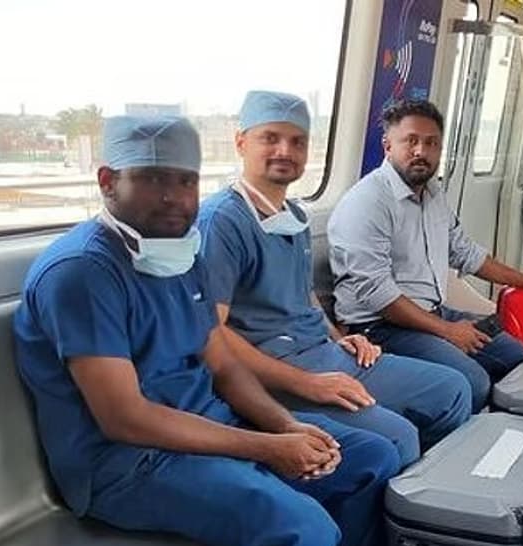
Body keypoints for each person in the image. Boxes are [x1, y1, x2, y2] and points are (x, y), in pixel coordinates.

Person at [12, 116, 403, 546]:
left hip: (201, 430)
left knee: (372, 458)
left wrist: (284, 426)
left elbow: (220, 362)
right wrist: (265, 449)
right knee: (303, 532)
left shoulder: (178, 249)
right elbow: (124, 418)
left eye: (187, 181)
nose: (176, 198)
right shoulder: (82, 273)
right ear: (108, 180)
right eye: (154, 180)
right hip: (125, 465)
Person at [197, 90, 471, 469]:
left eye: (297, 142)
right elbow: (212, 334)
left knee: (453, 390)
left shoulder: (291, 213)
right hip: (274, 372)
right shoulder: (221, 221)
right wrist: (309, 384)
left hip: (323, 352)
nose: (285, 151)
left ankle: (432, 499)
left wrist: (342, 339)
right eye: (270, 138)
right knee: (397, 437)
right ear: (241, 142)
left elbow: (305, 295)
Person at [328, 100, 523, 412]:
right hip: (380, 326)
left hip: (433, 313)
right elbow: (378, 296)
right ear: (387, 146)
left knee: (518, 358)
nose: (420, 151)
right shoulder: (368, 202)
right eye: (410, 141)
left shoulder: (433, 193)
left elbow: (466, 253)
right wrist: (448, 332)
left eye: (431, 143)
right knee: (473, 382)